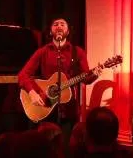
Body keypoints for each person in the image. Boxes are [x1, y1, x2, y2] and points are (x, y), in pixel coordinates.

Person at [18, 15, 102, 155]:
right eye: (55, 24)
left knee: (65, 149)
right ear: (51, 31)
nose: (59, 26)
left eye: (62, 24)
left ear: (68, 31)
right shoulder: (42, 51)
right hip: (46, 107)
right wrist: (32, 92)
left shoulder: (78, 52)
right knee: (44, 150)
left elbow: (86, 78)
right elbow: (23, 75)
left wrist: (95, 74)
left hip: (68, 109)